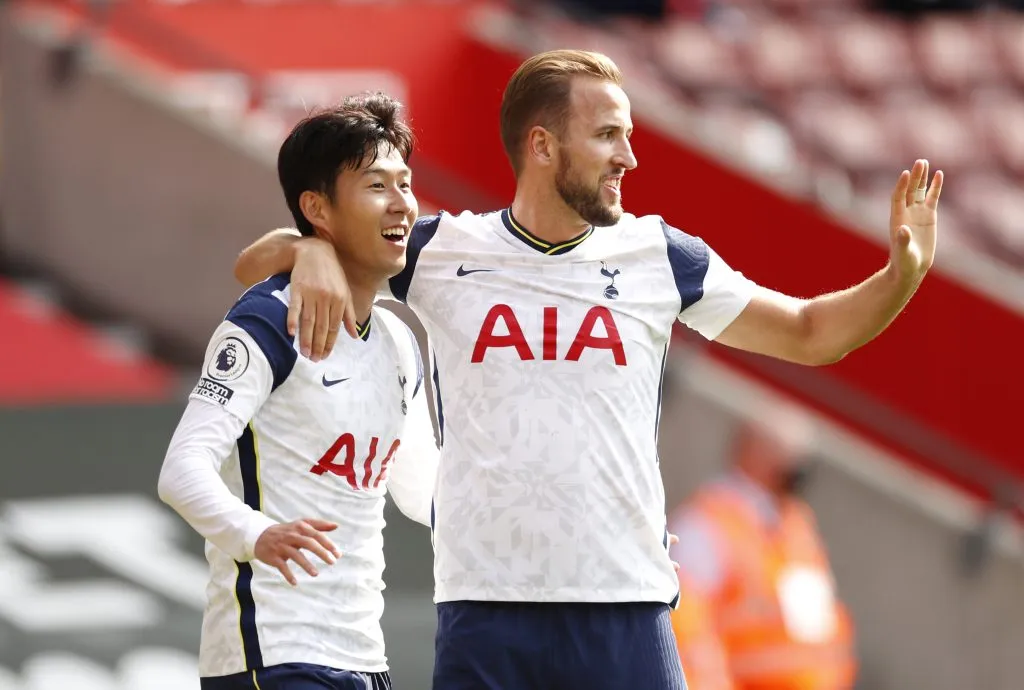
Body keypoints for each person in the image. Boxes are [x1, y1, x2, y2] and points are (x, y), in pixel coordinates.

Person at [232, 50, 942, 690]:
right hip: (487, 611)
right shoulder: (441, 250)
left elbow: (812, 334)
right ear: (542, 146)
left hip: (625, 610)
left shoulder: (661, 256)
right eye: (608, 135)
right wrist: (315, 251)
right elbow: (257, 261)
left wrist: (901, 275)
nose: (629, 157)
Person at [158, 93, 439, 690]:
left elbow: (423, 492)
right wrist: (258, 534)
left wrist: (563, 519)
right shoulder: (266, 320)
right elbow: (182, 470)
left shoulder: (397, 338)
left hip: (364, 655)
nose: (402, 205)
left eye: (406, 183)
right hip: (273, 651)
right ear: (318, 207)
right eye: (376, 186)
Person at [668, 409, 856, 690]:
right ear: (751, 451)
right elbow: (687, 634)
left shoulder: (796, 527)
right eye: (787, 454)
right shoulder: (707, 524)